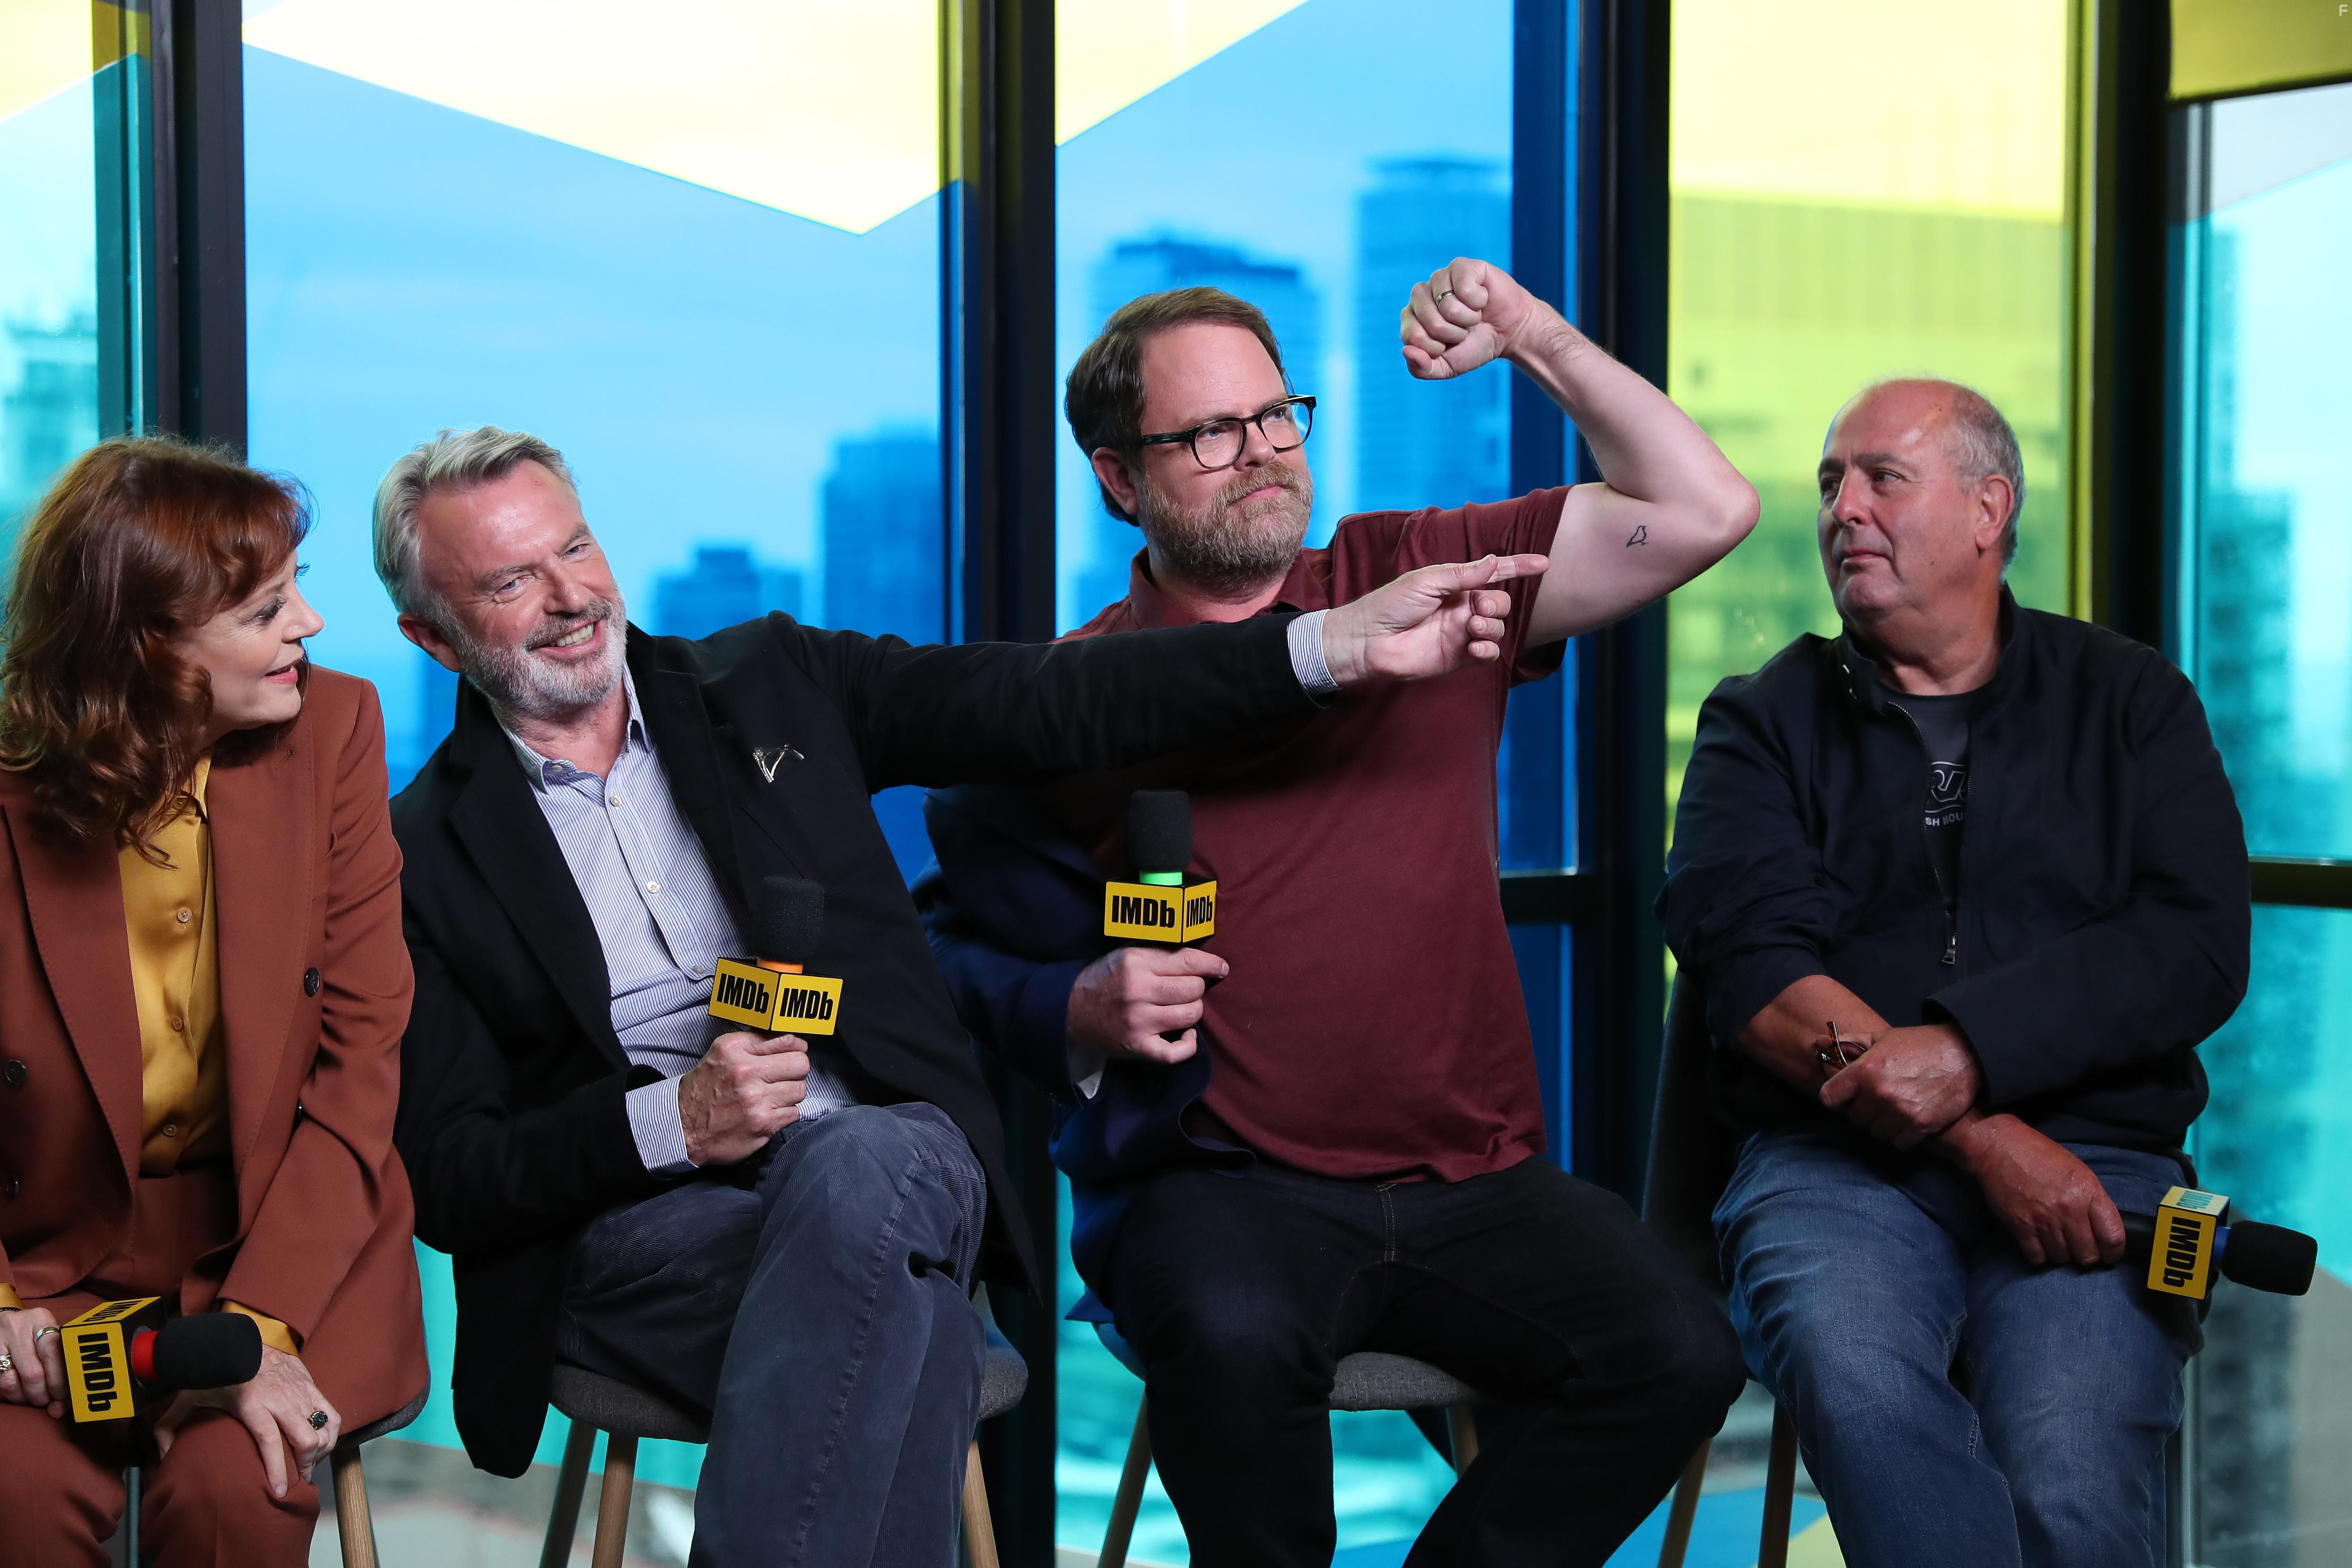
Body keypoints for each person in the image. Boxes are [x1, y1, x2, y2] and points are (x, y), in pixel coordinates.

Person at [375, 424, 1539, 1567]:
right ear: (432, 638)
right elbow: (458, 1177)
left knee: (862, 1159)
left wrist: (1324, 646)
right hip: (652, 1227)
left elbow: (1043, 696)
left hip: (883, 1157)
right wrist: (674, 1119)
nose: (572, 595)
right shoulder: (421, 851)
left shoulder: (770, 684)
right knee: (912, 1327)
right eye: (513, 581)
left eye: (575, 548)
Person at [916, 260, 1758, 1566]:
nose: (1258, 453)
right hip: (1220, 1184)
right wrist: (1075, 1002)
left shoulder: (1419, 567)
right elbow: (940, 947)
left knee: (1681, 1352)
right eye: (1207, 432)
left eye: (1274, 416)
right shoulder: (1075, 693)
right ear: (1118, 479)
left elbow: (1705, 508)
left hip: (1470, 1175)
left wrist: (1533, 334)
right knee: (1235, 1346)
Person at [1660, 379, 2251, 1568]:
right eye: (1831, 482)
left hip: (2095, 1160)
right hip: (1830, 1166)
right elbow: (1754, 970)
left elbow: (2192, 941)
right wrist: (1983, 1132)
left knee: (2072, 1481)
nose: (1843, 508)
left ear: (1989, 510)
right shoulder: (1759, 719)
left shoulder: (2133, 701)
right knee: (1859, 1375)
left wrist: (1965, 1050)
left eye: (1883, 475)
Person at [0, 436, 429, 1566]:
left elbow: (360, 1060)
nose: (311, 626)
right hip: (46, 1256)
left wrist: (257, 1325)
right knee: (18, 1497)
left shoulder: (335, 729)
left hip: (290, 1234)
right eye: (263, 609)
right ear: (145, 650)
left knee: (238, 1492)